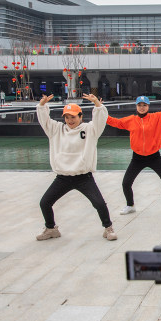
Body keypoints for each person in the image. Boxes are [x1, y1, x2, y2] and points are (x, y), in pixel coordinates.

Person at [35, 93, 116, 241]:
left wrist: (97, 104)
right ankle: (51, 229)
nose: (70, 120)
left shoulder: (90, 129)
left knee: (99, 203)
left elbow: (100, 120)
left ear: (80, 117)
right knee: (45, 202)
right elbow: (44, 121)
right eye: (67, 117)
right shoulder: (56, 129)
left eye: (73, 117)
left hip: (83, 177)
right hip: (63, 178)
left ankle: (108, 228)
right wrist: (41, 106)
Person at [106, 88, 161, 214]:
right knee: (126, 183)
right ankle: (130, 205)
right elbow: (114, 122)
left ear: (148, 106)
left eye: (144, 105)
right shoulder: (131, 120)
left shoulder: (157, 117)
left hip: (154, 157)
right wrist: (99, 109)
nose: (142, 107)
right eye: (139, 105)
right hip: (137, 158)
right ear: (136, 106)